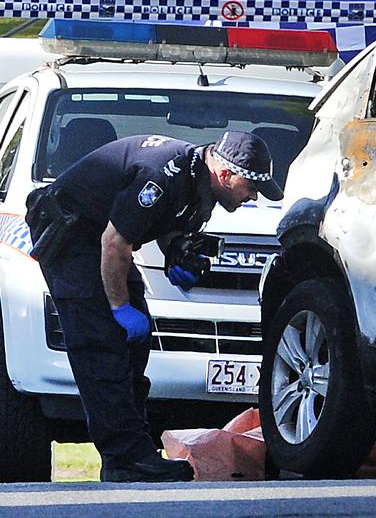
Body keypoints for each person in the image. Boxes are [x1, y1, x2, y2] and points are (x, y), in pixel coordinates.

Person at [27, 131, 282, 483]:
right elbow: (114, 243)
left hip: (102, 238)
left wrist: (177, 250)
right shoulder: (163, 174)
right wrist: (119, 308)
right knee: (103, 344)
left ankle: (133, 452)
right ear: (225, 175)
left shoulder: (196, 177)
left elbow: (160, 222)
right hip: (73, 232)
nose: (252, 197)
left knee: (134, 343)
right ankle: (126, 459)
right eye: (250, 187)